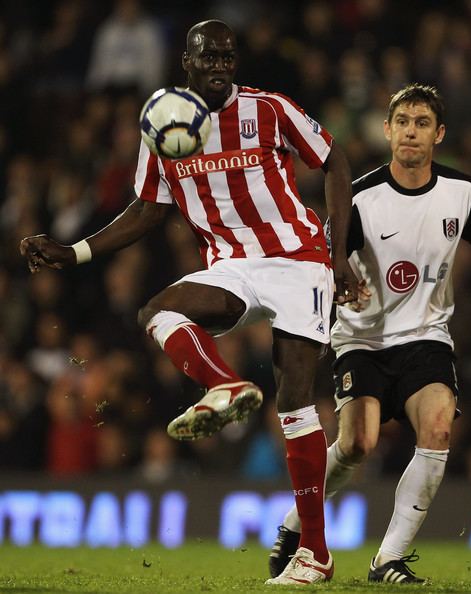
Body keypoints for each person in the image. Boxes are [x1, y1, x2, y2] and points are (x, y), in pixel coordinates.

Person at [20, 19, 358, 586]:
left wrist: (339, 252)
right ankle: (223, 385)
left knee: (295, 403)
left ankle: (315, 556)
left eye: (229, 56)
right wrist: (75, 252)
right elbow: (148, 208)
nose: (221, 66)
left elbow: (335, 161)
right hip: (231, 267)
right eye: (210, 58)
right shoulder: (163, 125)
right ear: (188, 63)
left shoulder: (269, 110)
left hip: (300, 259)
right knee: (156, 311)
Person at [269, 83, 471, 584]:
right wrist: (337, 285)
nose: (410, 132)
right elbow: (319, 262)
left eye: (422, 123)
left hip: (426, 337)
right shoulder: (358, 197)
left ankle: (389, 559)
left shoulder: (461, 193)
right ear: (387, 130)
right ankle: (297, 524)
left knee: (440, 429)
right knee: (358, 444)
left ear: (438, 134)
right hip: (362, 339)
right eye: (402, 121)